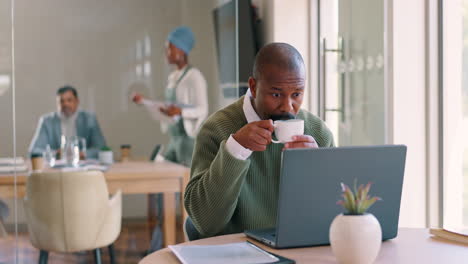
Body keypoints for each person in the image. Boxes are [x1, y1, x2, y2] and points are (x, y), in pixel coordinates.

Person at [184, 43, 335, 239]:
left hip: (297, 251)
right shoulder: (215, 130)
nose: (287, 107)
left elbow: (334, 218)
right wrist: (235, 149)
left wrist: (317, 171)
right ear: (253, 87)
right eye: (276, 94)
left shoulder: (318, 133)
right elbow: (205, 222)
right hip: (233, 255)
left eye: (296, 94)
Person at [132, 26, 208, 167]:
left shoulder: (195, 76)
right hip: (174, 139)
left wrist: (180, 112)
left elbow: (203, 109)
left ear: (181, 50)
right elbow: (169, 106)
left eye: (170, 48)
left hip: (188, 141)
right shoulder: (173, 77)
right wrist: (144, 102)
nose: (166, 53)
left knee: (185, 183)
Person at [29, 85, 106, 159]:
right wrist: (56, 154)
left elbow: (101, 148)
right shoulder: (47, 121)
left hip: (83, 168)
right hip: (56, 169)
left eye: (69, 100)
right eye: (61, 101)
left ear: (77, 101)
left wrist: (81, 154)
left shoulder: (89, 119)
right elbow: (34, 151)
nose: (65, 104)